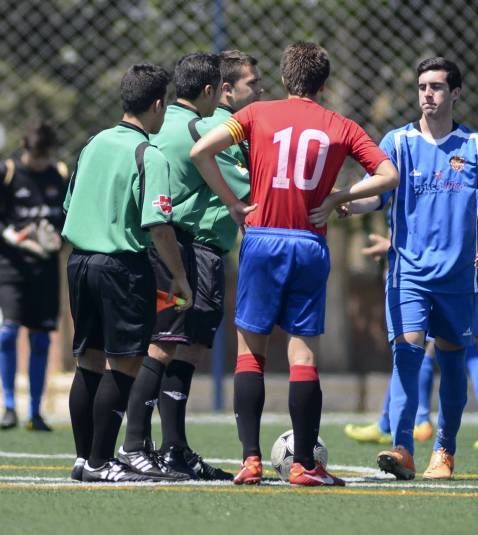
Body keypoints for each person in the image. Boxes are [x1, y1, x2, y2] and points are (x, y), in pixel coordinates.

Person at [191, 41, 399, 487]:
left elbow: (200, 152)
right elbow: (389, 175)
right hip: (308, 241)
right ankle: (304, 463)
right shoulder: (340, 125)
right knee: (302, 352)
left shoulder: (255, 114)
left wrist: (233, 203)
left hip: (262, 238)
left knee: (251, 352)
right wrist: (342, 195)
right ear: (324, 84)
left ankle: (250, 459)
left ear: (286, 79)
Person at [345, 57, 478, 480]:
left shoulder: (476, 147)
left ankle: (444, 451)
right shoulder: (397, 143)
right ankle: (402, 448)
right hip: (409, 275)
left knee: (453, 364)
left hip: (458, 279)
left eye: (436, 87)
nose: (427, 94)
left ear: (455, 93)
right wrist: (347, 201)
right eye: (422, 87)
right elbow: (374, 195)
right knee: (408, 354)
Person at [117, 50, 262, 481]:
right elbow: (251, 187)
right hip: (192, 248)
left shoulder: (160, 126)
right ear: (212, 90)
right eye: (253, 84)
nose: (258, 91)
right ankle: (137, 445)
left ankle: (170, 447)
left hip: (157, 245)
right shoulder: (211, 127)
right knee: (171, 345)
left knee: (176, 344)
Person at [62, 63, 192, 482]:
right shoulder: (147, 154)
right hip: (121, 266)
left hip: (79, 262)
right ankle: (102, 462)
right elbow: (158, 225)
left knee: (89, 361)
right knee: (125, 364)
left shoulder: (92, 144)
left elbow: (69, 206)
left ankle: (85, 460)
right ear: (157, 104)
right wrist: (179, 277)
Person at [345, 192, 478, 450]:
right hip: (458, 277)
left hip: (449, 280)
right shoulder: (440, 177)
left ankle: (422, 421)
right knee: (424, 348)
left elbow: (466, 233)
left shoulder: (465, 175)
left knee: (432, 348)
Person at [0, 120, 67, 432]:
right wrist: (11, 235)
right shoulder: (7, 173)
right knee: (8, 330)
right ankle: (7, 406)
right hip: (10, 266)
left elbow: (66, 218)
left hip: (44, 269)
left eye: (44, 156)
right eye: (34, 156)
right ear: (24, 147)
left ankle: (35, 412)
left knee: (41, 338)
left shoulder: (59, 174)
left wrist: (60, 238)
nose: (38, 162)